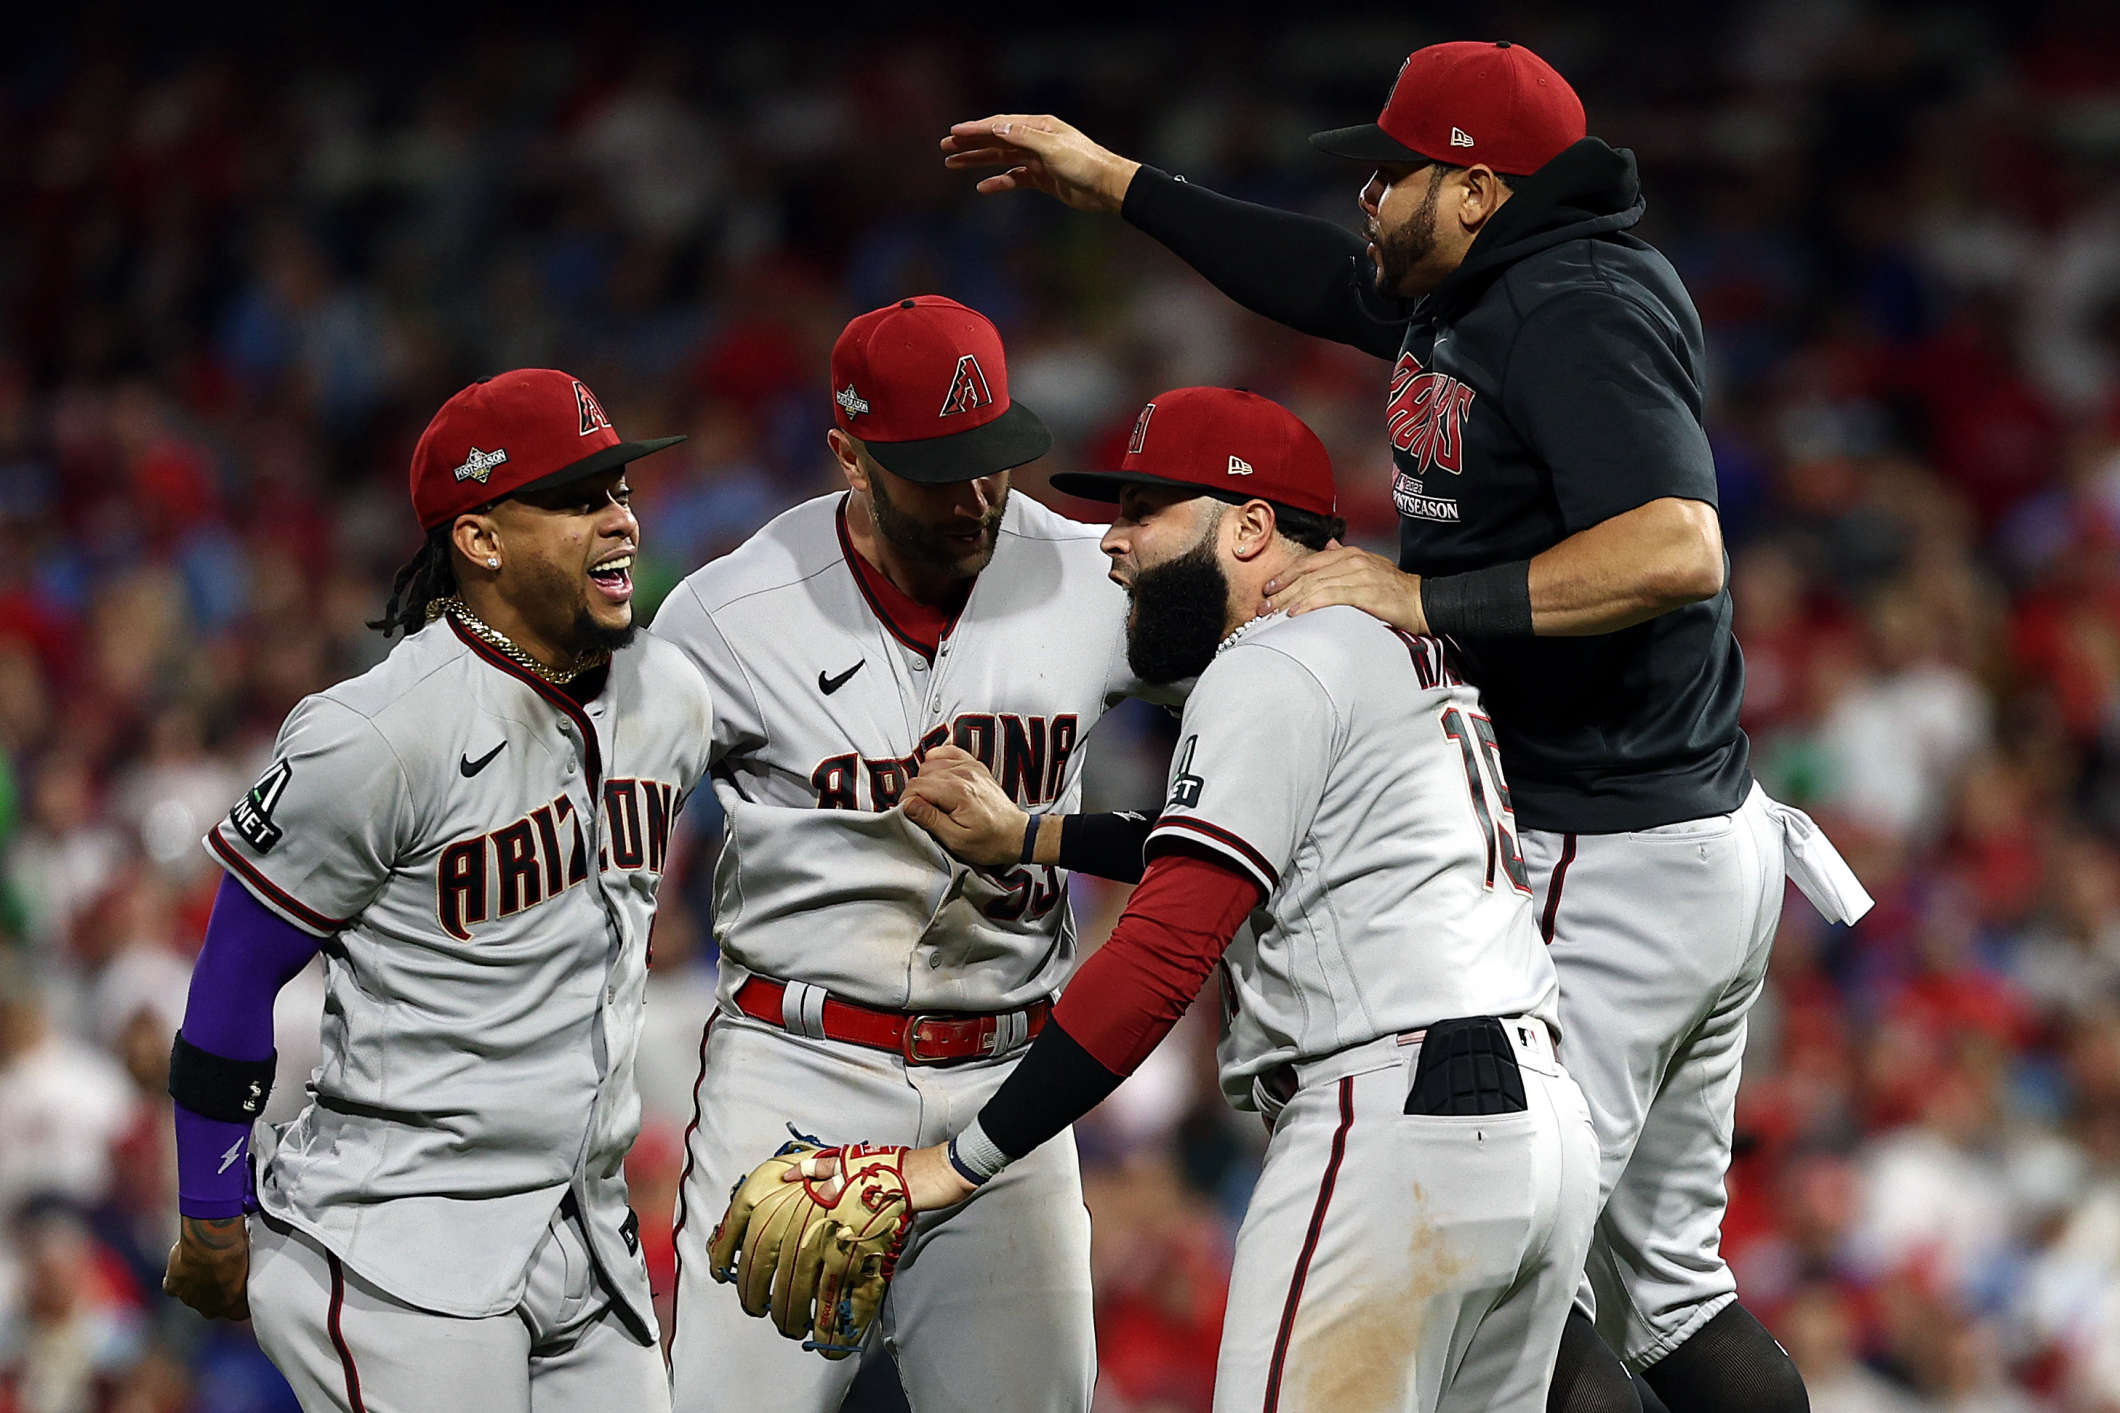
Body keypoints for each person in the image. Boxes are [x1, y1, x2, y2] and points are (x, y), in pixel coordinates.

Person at [939, 40, 1872, 1413]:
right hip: (1671, 836)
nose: (1366, 197)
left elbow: (1679, 548)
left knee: (1523, 1285)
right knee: (1670, 1297)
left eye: (1393, 173)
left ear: (1481, 190)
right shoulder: (1484, 290)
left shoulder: (1578, 303)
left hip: (1605, 844)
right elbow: (1315, 279)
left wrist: (1422, 587)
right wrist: (1120, 183)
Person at [717, 386, 1603, 1412]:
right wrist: (1034, 835)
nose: (1111, 543)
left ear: (1249, 527)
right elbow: (1264, 848)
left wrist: (952, 1166)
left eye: (1144, 511)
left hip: (1393, 1128)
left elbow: (1161, 955)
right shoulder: (1391, 647)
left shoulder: (1274, 658)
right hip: (1531, 1129)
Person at [650, 296, 1169, 1413]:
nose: (980, 492)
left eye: (991, 456)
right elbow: (606, 827)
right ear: (847, 456)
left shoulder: (1088, 573)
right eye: (940, 469)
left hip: (1008, 1089)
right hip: (798, 1079)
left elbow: (1271, 683)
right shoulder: (729, 614)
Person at [160, 369, 709, 1413]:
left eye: (622, 491)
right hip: (403, 1236)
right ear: (481, 539)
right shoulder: (376, 733)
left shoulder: (669, 695)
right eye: (578, 497)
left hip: (587, 1231)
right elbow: (235, 976)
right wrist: (208, 1212)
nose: (619, 522)